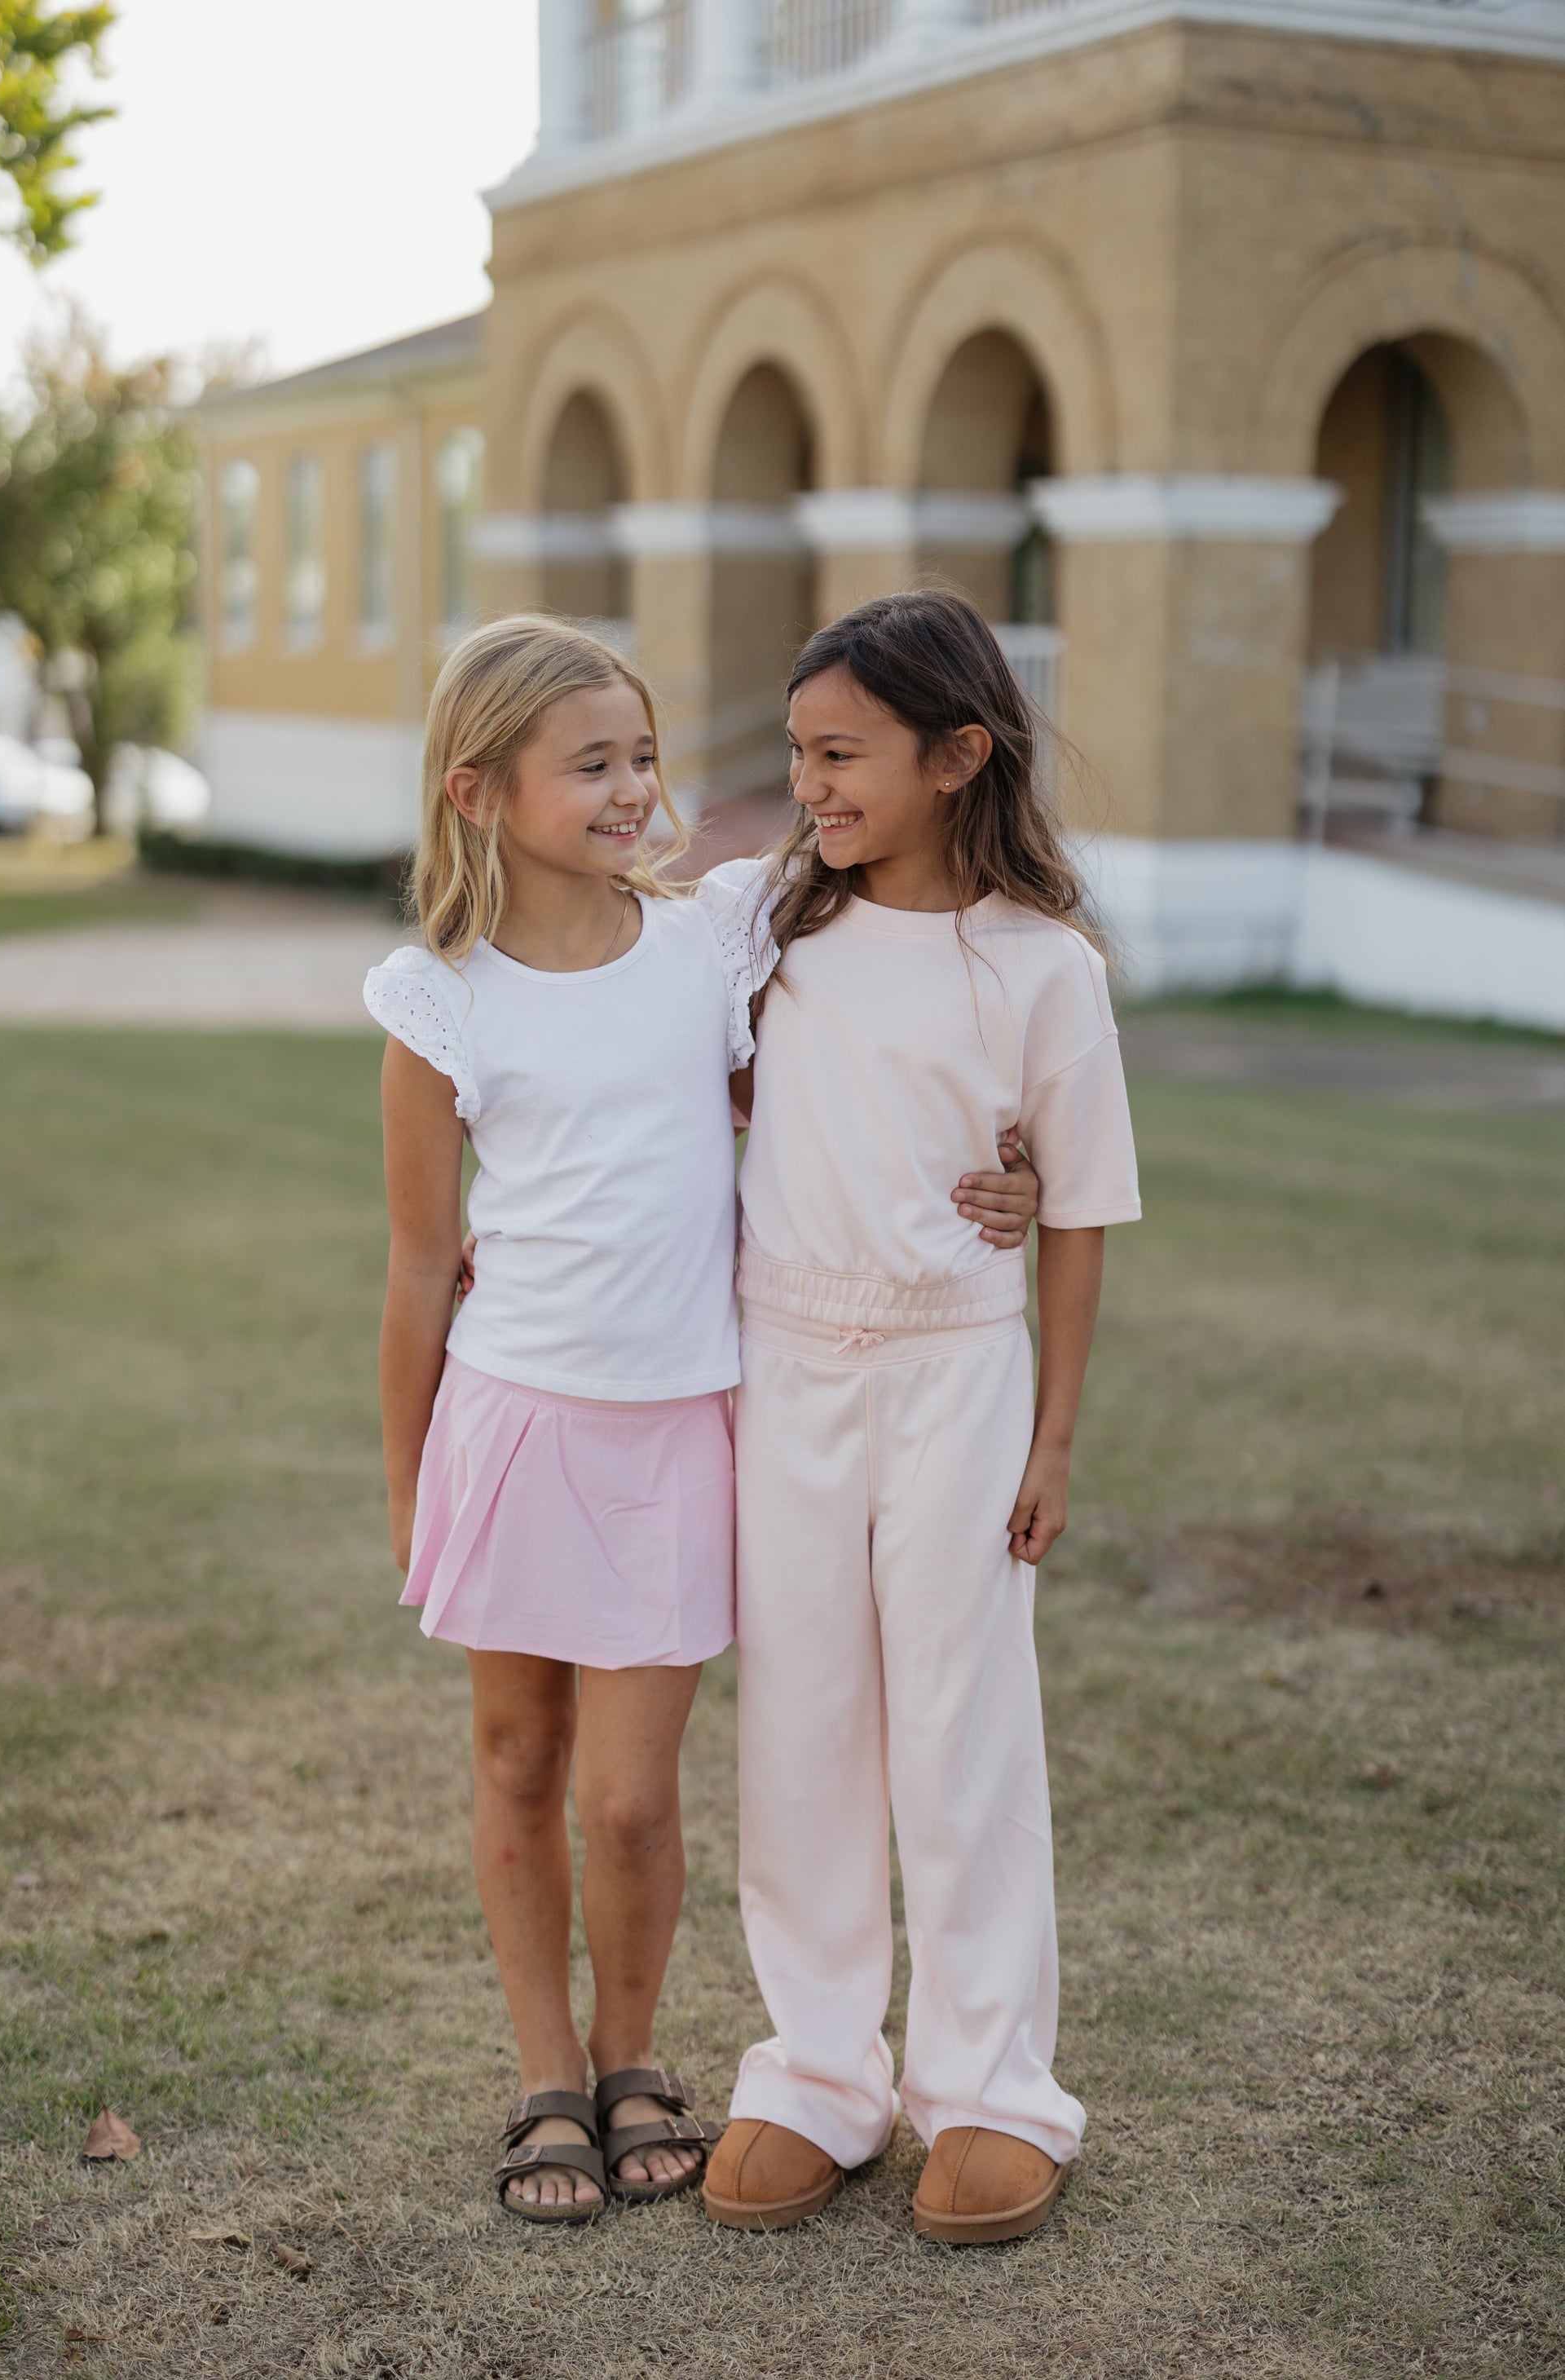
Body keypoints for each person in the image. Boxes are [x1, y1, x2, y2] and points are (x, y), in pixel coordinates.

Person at [364, 615, 1043, 2226]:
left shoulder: (712, 941)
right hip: (514, 1423)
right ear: (479, 789)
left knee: (631, 1795)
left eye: (641, 755)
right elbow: (412, 1266)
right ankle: (546, 2071)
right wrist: (410, 1489)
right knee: (518, 1757)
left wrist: (1002, 1161)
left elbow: (846, 1065)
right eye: (591, 763)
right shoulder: (436, 996)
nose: (632, 788)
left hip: (680, 1428)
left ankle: (629, 2054)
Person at [699, 589, 1141, 2247]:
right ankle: (818, 2068)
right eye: (799, 751)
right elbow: (660, 1062)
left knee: (958, 1731)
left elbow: (1079, 1201)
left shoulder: (1043, 965)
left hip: (960, 1373)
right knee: (802, 1725)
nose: (809, 782)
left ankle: (988, 2087)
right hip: (783, 1366)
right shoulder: (767, 929)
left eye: (841, 753)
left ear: (957, 755)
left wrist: (1054, 1438)